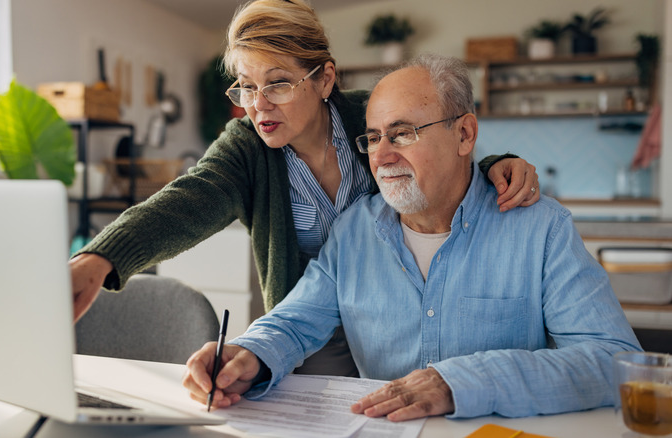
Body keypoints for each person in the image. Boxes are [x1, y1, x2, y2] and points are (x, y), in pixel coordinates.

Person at [70, 0, 540, 377]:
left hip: (400, 316)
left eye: (277, 84)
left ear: (324, 79)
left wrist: (498, 165)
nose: (258, 106)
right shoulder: (248, 149)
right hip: (311, 328)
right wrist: (101, 258)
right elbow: (185, 201)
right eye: (246, 87)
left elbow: (436, 154)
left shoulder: (369, 117)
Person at [182, 53, 642, 420]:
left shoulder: (541, 228)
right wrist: (249, 353)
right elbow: (295, 321)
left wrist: (463, 381)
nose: (380, 156)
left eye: (402, 134)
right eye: (373, 137)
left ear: (465, 134)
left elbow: (618, 363)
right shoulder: (353, 232)